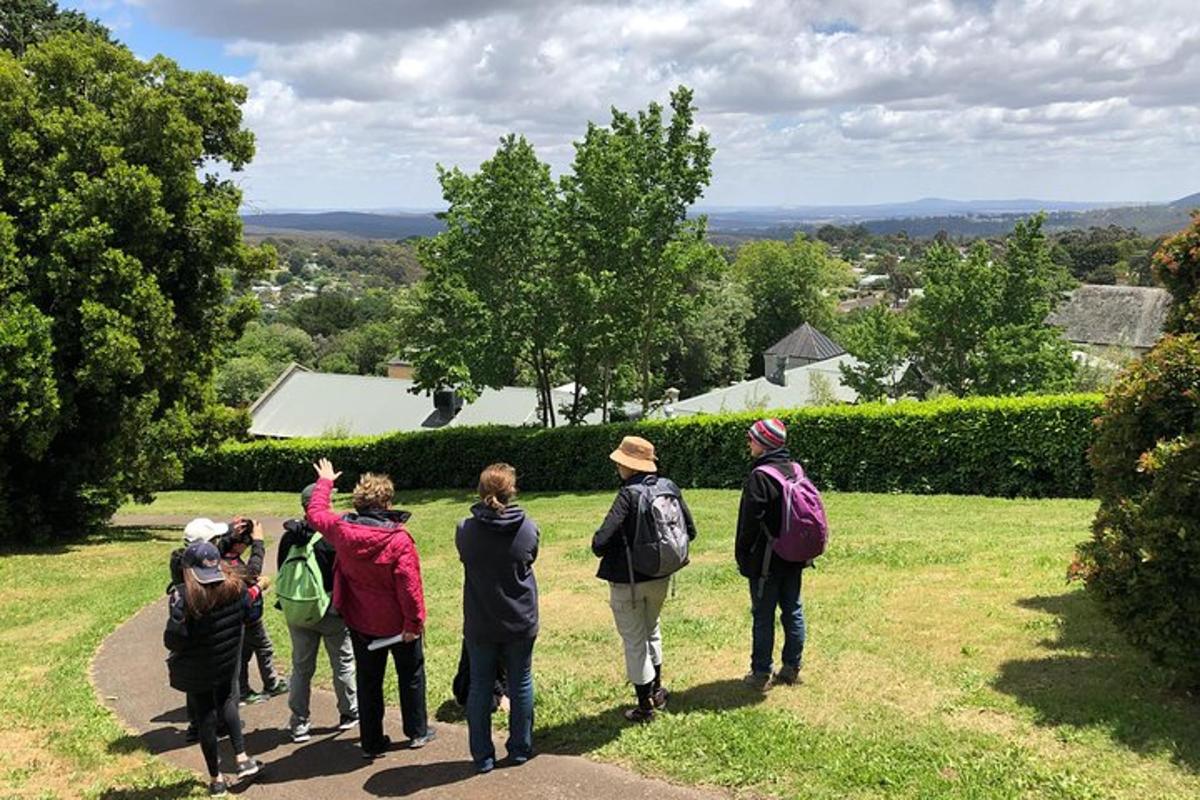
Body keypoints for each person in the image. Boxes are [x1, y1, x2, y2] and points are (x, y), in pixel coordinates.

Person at [306, 458, 435, 758]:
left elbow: (315, 513)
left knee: (368, 680)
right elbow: (409, 588)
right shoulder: (399, 539)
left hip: (361, 620)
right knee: (411, 675)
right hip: (398, 625)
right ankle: (417, 731)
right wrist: (413, 625)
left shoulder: (340, 530)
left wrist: (325, 481)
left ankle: (371, 742)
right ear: (387, 502)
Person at [592, 436, 697, 723]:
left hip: (629, 580)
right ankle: (658, 691)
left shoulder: (629, 494)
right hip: (662, 575)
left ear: (628, 465)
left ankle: (644, 707)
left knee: (635, 641)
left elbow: (601, 540)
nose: (617, 466)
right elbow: (691, 530)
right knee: (652, 630)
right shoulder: (669, 487)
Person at [455, 463, 539, 773]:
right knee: (521, 683)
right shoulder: (528, 527)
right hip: (520, 617)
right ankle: (519, 749)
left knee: (480, 686)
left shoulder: (465, 530)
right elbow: (530, 557)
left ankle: (483, 756)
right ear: (512, 492)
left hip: (481, 619)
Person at [164, 541, 263, 796]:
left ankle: (216, 778)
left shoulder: (186, 596)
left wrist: (175, 610)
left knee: (206, 716)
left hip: (198, 668)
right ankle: (242, 759)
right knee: (228, 702)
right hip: (226, 660)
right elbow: (250, 615)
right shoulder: (236, 587)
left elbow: (173, 640)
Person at [277, 484, 359, 743]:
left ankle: (299, 723)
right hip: (330, 611)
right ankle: (349, 713)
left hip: (298, 610)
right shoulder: (330, 538)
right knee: (343, 663)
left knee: (301, 668)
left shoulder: (289, 536)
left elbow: (283, 570)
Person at [735, 418, 807, 690]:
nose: (749, 442)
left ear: (764, 444)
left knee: (763, 615)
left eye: (752, 438)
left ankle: (761, 673)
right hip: (795, 554)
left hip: (766, 560)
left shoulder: (760, 477)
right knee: (793, 610)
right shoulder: (795, 469)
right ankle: (792, 668)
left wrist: (742, 556)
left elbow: (749, 524)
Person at [170, 518, 232, 743]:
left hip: (188, 636)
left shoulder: (179, 561)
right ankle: (217, 724)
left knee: (194, 683)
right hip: (209, 631)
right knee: (218, 683)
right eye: (215, 540)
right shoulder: (202, 574)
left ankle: (195, 724)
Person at [216, 518, 288, 704]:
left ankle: (243, 690)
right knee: (264, 648)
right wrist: (258, 543)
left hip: (240, 619)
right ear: (238, 544)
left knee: (243, 654)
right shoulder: (231, 566)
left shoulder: (221, 558)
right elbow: (254, 570)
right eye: (245, 543)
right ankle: (270, 684)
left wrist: (231, 530)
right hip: (249, 617)